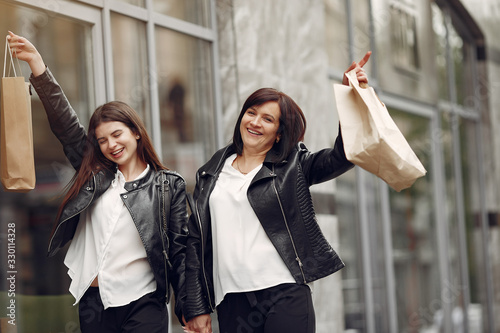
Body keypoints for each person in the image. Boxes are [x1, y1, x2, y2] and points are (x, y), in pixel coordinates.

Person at [7, 31, 188, 332]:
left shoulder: (167, 186)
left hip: (143, 302)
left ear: (136, 132)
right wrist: (37, 65)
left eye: (117, 135)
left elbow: (181, 251)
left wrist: (191, 309)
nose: (111, 145)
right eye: (102, 140)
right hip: (94, 302)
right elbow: (66, 125)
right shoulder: (96, 175)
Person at [183, 52, 371, 333]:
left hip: (283, 293)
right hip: (231, 300)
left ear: (279, 133)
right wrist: (195, 306)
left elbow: (342, 156)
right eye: (251, 113)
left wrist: (350, 98)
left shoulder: (294, 166)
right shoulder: (210, 173)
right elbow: (195, 243)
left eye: (267, 119)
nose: (255, 123)